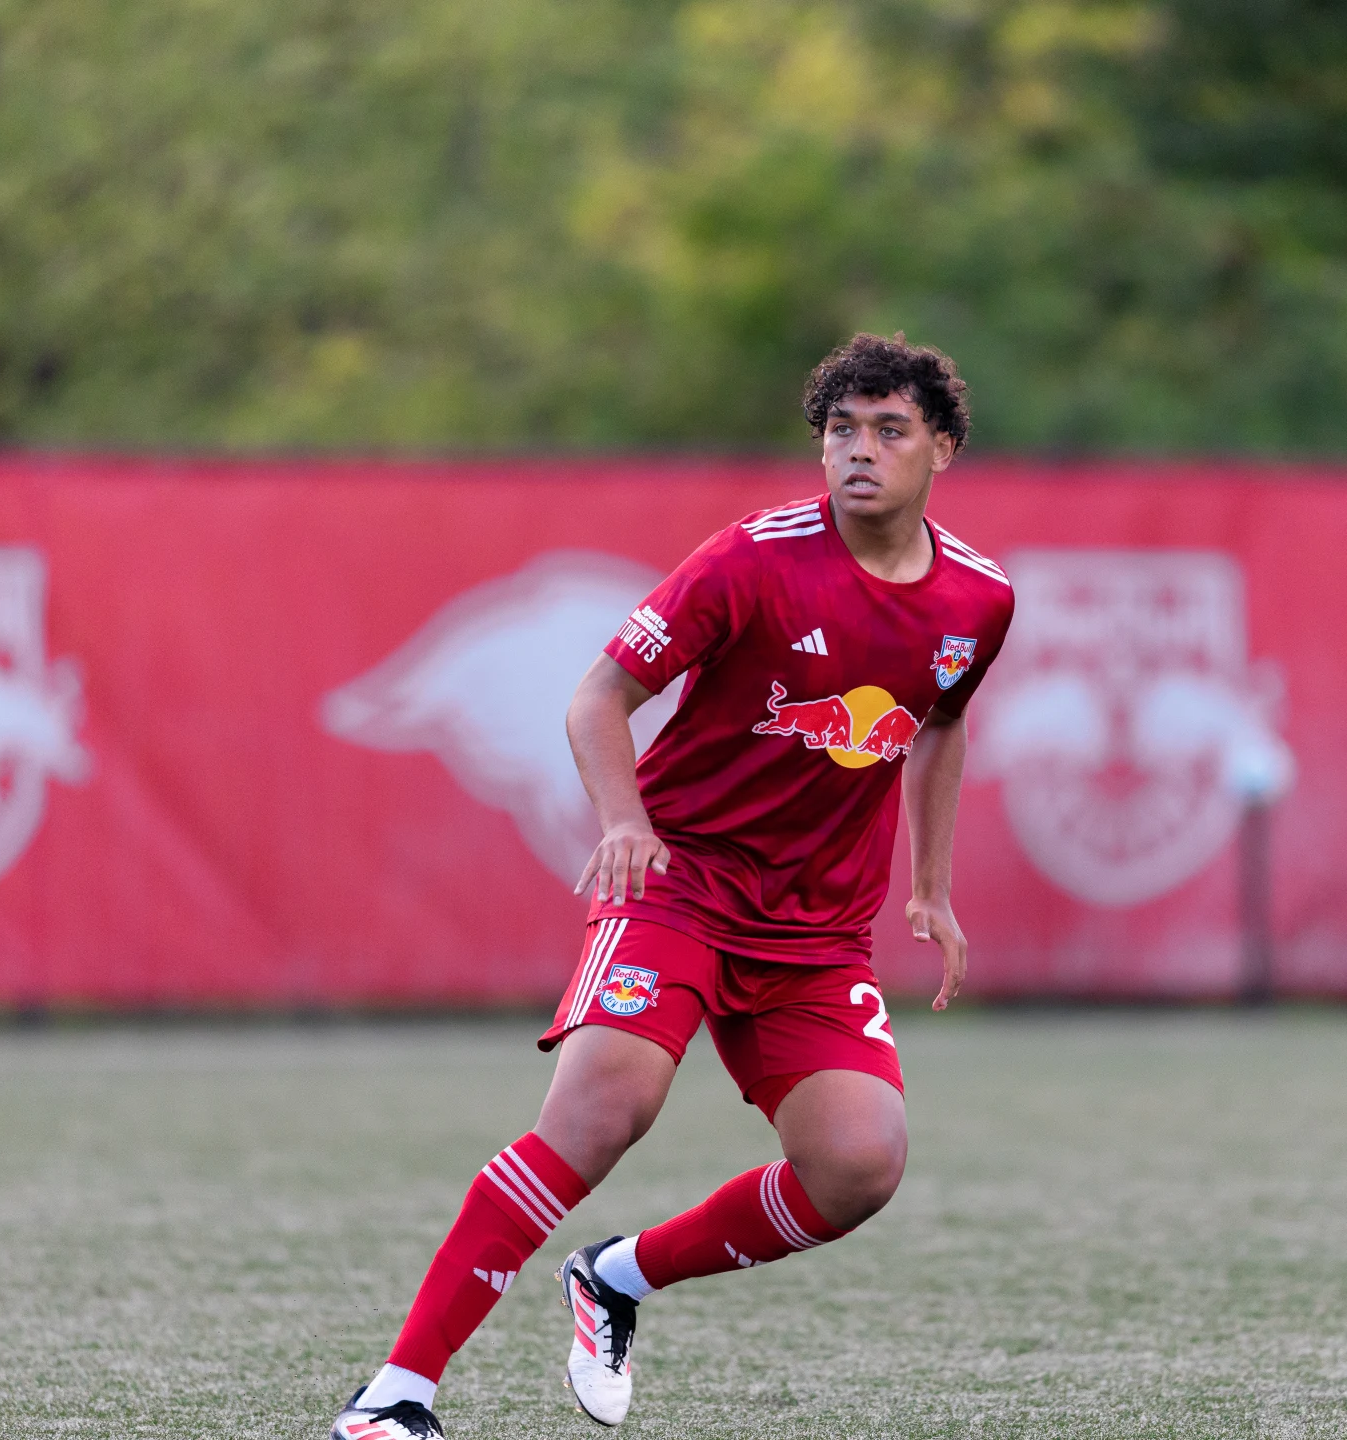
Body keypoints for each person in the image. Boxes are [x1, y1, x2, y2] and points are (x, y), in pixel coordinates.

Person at [333, 333, 1015, 1440]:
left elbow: (941, 723)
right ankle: (393, 1399)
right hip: (681, 883)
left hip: (816, 929)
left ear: (940, 448)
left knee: (858, 1166)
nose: (858, 450)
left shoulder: (979, 599)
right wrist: (622, 824)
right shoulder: (750, 559)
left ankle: (615, 1280)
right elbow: (596, 699)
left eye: (890, 430)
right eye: (841, 429)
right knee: (607, 1112)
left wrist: (928, 889)